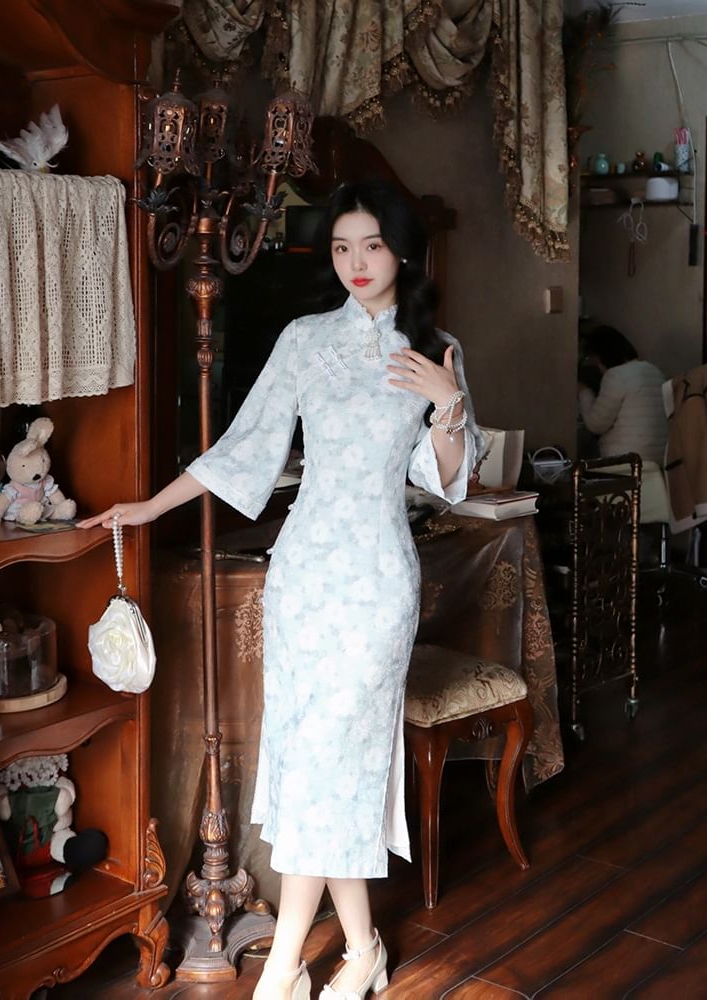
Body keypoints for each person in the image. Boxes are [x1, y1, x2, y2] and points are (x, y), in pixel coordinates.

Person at [79, 178, 482, 1000]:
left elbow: (447, 481)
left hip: (376, 585)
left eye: (372, 246)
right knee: (311, 765)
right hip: (301, 578)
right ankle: (362, 949)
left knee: (334, 758)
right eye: (341, 248)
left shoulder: (436, 351)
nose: (356, 263)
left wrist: (449, 406)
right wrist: (147, 508)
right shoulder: (304, 340)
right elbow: (246, 445)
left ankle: (284, 967)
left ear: (402, 252)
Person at [578, 326, 667, 464]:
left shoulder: (616, 376)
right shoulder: (654, 371)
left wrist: (584, 392)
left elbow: (596, 424)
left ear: (602, 355)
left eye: (594, 360)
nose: (598, 368)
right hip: (656, 459)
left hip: (626, 459)